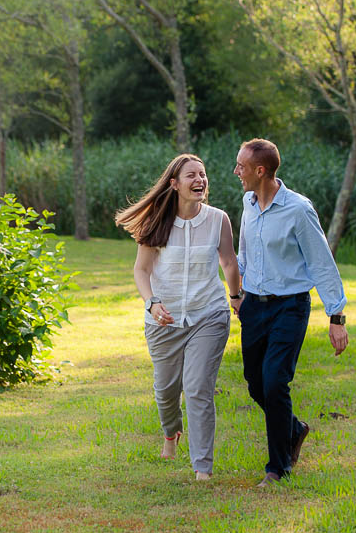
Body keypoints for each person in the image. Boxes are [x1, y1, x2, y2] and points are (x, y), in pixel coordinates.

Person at [231, 138, 349, 488]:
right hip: (254, 306)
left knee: (274, 381)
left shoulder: (299, 209)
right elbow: (244, 251)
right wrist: (237, 293)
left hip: (290, 307)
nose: (236, 172)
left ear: (260, 170)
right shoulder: (247, 203)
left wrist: (336, 316)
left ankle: (277, 468)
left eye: (241, 166)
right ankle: (294, 430)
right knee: (255, 384)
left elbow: (321, 262)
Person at [115, 154, 241, 481]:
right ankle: (171, 433)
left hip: (208, 315)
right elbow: (141, 270)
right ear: (175, 184)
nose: (200, 180)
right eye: (191, 175)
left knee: (198, 387)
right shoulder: (157, 221)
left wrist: (236, 296)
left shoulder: (218, 220)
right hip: (164, 320)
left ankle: (202, 469)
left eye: (203, 174)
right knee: (166, 390)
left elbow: (228, 261)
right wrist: (152, 303)